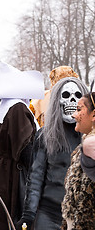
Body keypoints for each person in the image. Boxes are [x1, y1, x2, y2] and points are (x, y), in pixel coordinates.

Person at [15, 77, 87, 230]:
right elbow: (35, 178)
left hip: (81, 216)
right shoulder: (45, 135)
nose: (72, 101)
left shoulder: (90, 137)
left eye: (77, 96)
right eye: (66, 96)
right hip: (49, 215)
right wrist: (28, 215)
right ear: (56, 101)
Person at [0, 61, 44, 230]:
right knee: (13, 222)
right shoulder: (16, 107)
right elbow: (24, 147)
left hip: (4, 170)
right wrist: (39, 169)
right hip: (12, 176)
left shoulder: (7, 105)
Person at [61, 91, 95, 229]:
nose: (74, 115)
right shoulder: (83, 146)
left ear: (94, 115)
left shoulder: (91, 148)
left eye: (79, 109)